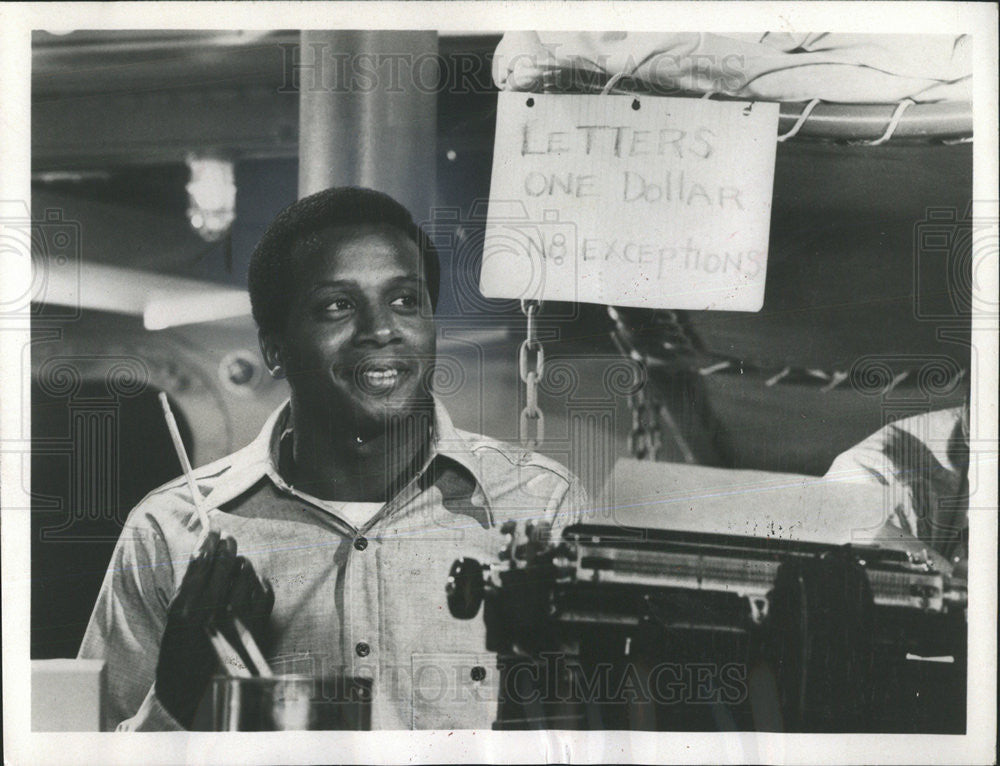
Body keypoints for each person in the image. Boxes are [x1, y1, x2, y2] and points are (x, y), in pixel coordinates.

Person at [79, 186, 587, 731]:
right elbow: (89, 746)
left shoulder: (539, 505)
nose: (381, 330)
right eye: (337, 306)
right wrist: (177, 693)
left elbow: (599, 739)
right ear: (274, 348)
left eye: (404, 301)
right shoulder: (168, 531)